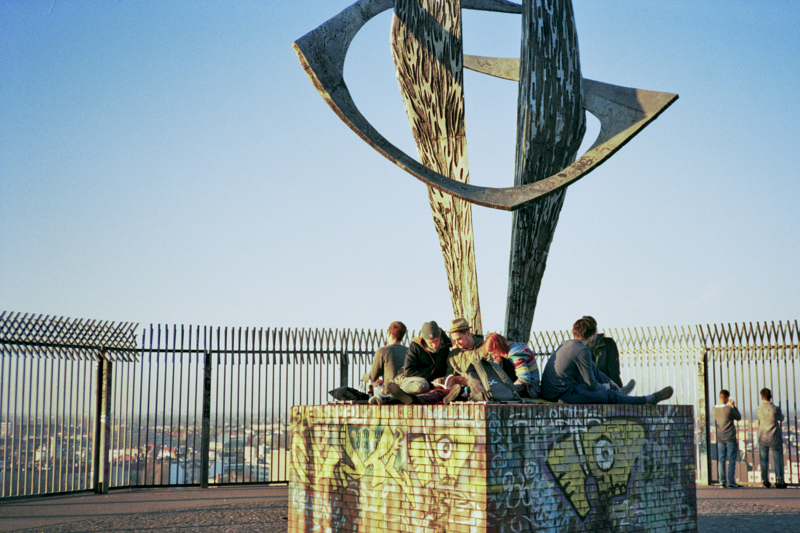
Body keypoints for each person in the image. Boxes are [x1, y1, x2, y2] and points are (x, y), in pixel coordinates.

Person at [539, 317, 672, 405]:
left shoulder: (568, 344)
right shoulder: (582, 350)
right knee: (608, 395)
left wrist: (611, 383)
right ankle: (647, 400)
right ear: (592, 335)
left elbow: (592, 373)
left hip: (554, 390)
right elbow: (591, 384)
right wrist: (605, 387)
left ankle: (617, 388)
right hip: (561, 394)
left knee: (593, 367)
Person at [386, 321, 453, 404]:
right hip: (409, 379)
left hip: (432, 384)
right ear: (424, 340)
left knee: (432, 392)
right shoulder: (415, 346)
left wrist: (440, 380)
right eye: (430, 343)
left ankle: (386, 398)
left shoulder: (446, 346)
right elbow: (408, 371)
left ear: (440, 337)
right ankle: (393, 393)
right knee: (422, 385)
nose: (434, 345)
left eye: (436, 341)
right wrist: (432, 378)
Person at [483, 332, 541, 399]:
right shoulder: (510, 348)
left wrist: (506, 392)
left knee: (503, 362)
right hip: (525, 388)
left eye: (494, 353)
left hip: (531, 391)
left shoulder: (515, 355)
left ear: (498, 347)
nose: (493, 356)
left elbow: (524, 379)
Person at [367, 321, 408, 405]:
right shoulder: (409, 351)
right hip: (406, 393)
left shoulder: (383, 351)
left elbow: (372, 377)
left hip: (388, 395)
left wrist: (364, 377)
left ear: (389, 333)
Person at [582, 315, 625, 389]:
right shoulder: (580, 347)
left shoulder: (608, 343)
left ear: (595, 329)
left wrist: (617, 387)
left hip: (607, 384)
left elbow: (614, 369)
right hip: (588, 385)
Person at [757, 387, 786, 488]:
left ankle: (765, 479)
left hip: (762, 436)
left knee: (764, 459)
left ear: (761, 397)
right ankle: (780, 480)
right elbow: (782, 418)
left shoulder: (758, 409)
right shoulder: (775, 409)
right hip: (774, 437)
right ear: (771, 397)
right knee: (777, 459)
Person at [713, 389, 742, 488]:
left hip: (720, 437)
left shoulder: (714, 408)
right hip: (730, 437)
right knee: (731, 460)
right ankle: (731, 482)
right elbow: (738, 417)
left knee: (721, 460)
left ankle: (722, 481)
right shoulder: (729, 409)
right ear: (726, 398)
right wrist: (733, 406)